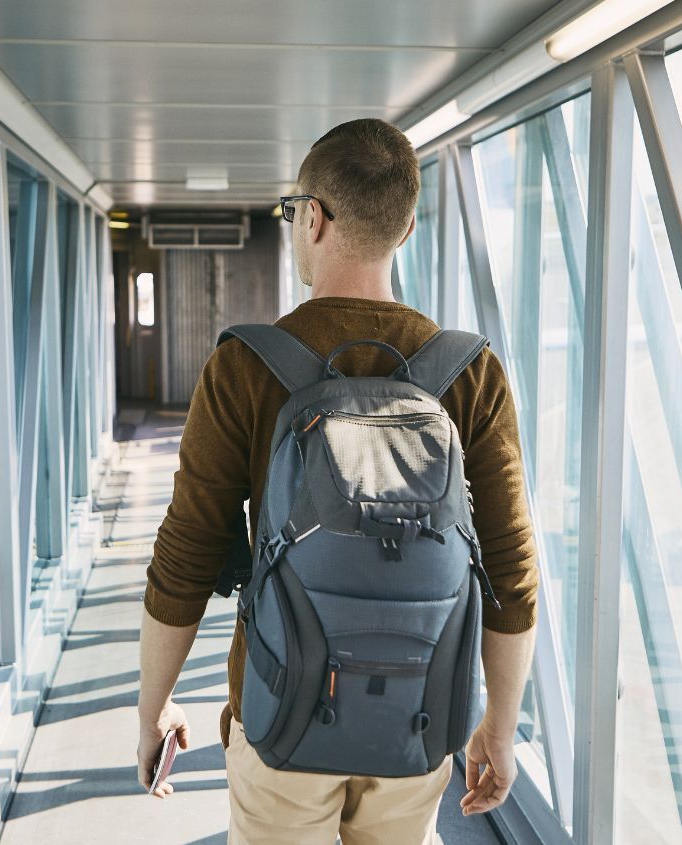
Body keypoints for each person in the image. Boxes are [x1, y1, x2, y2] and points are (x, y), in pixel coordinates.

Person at [135, 117, 538, 845]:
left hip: (282, 714)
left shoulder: (244, 366)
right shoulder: (470, 370)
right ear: (407, 226)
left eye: (294, 214)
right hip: (415, 721)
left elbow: (186, 555)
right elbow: (511, 572)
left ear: (313, 216)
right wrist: (498, 728)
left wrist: (152, 708)